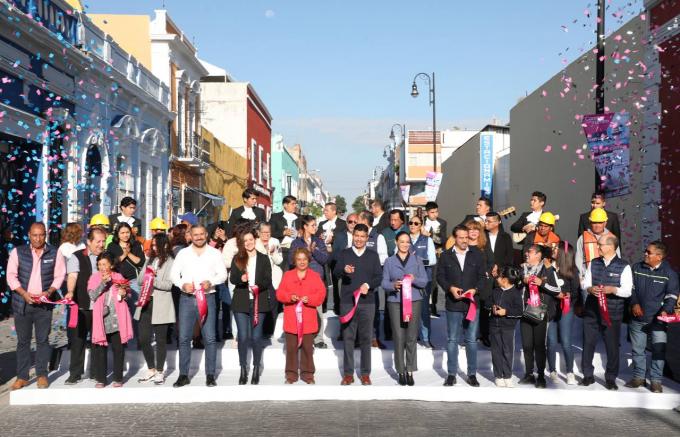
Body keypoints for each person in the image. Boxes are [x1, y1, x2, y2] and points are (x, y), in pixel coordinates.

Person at [7, 222, 66, 390]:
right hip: (22, 303)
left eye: (41, 235)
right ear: (29, 235)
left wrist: (48, 292)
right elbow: (11, 276)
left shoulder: (54, 252)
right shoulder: (18, 252)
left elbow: (59, 276)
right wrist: (24, 294)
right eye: (35, 235)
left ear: (45, 235)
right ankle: (22, 377)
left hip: (44, 305)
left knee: (42, 340)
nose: (38, 238)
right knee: (23, 342)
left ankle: (41, 374)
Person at [170, 226, 227, 388]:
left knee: (209, 337)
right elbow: (174, 274)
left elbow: (223, 274)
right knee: (184, 338)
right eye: (195, 235)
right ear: (190, 236)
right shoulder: (183, 253)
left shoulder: (214, 253)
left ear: (206, 235)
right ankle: (183, 375)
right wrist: (182, 284)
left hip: (208, 298)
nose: (199, 237)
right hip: (187, 299)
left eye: (202, 234)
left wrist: (212, 282)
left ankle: (210, 375)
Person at [580, 234, 632, 390]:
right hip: (592, 311)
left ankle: (610, 378)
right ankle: (587, 375)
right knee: (588, 343)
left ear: (611, 246)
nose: (598, 247)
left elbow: (627, 291)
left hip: (612, 312)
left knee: (612, 346)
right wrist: (590, 288)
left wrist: (613, 289)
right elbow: (585, 283)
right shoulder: (594, 263)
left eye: (600, 244)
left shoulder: (624, 266)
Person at [437, 225, 487, 387]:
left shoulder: (477, 255)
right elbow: (440, 276)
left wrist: (476, 289)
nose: (465, 240)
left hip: (472, 304)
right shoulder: (445, 256)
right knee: (452, 339)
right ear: (455, 238)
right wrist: (450, 288)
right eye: (461, 237)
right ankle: (451, 374)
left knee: (471, 340)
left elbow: (482, 278)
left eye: (466, 237)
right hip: (453, 304)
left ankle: (472, 374)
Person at [626, 241, 678, 393]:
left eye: (649, 252)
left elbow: (672, 295)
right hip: (637, 318)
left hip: (657, 321)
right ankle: (639, 378)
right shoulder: (636, 267)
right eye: (646, 251)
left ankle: (656, 381)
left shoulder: (670, 274)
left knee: (659, 350)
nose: (645, 254)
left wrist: (666, 310)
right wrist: (634, 303)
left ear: (659, 256)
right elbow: (631, 288)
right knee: (638, 350)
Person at [334, 224, 383, 385]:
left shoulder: (373, 255)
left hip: (367, 303)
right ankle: (348, 374)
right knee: (348, 337)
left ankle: (365, 373)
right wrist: (343, 270)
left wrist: (368, 285)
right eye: (357, 236)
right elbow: (335, 272)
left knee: (366, 338)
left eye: (363, 236)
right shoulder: (345, 254)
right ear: (353, 236)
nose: (359, 239)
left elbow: (378, 277)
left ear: (367, 238)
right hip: (348, 302)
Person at [381, 231, 428, 386]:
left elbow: (424, 281)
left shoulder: (417, 260)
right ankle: (400, 370)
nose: (405, 244)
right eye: (402, 241)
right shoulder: (389, 261)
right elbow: (384, 283)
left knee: (411, 337)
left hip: (414, 300)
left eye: (407, 242)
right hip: (395, 301)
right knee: (399, 337)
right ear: (396, 242)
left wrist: (414, 280)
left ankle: (410, 370)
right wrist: (394, 285)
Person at [276, 248, 326, 384]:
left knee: (307, 348)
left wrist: (309, 299)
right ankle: (291, 375)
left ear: (308, 260)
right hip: (292, 320)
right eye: (299, 259)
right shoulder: (287, 275)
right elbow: (279, 294)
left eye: (304, 259)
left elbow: (321, 295)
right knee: (291, 348)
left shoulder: (315, 276)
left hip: (308, 320)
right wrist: (289, 297)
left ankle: (308, 374)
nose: (302, 262)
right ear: (295, 261)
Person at [64, 227, 107, 384]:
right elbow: (72, 276)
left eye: (103, 241)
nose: (101, 245)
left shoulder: (106, 257)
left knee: (98, 341)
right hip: (82, 306)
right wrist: (70, 291)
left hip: (100, 307)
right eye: (98, 241)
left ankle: (96, 373)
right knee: (78, 340)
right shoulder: (77, 257)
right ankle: (75, 374)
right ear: (89, 242)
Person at [230, 230, 273, 385]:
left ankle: (255, 368)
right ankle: (243, 368)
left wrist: (257, 286)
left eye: (250, 239)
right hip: (241, 302)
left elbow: (268, 280)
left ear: (255, 240)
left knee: (256, 337)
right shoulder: (238, 258)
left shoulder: (263, 259)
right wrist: (241, 279)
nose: (248, 242)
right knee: (243, 337)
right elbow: (233, 278)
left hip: (258, 301)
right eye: (245, 241)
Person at [134, 233, 175, 385]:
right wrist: (146, 272)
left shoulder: (171, 261)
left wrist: (154, 279)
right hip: (146, 302)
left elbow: (169, 285)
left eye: (156, 245)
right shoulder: (149, 260)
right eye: (152, 245)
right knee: (143, 338)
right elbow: (139, 281)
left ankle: (159, 370)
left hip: (161, 304)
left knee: (160, 340)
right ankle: (150, 368)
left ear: (164, 245)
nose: (153, 247)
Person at [88, 252, 133, 388]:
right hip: (101, 319)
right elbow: (92, 295)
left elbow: (128, 293)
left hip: (117, 318)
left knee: (118, 349)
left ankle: (118, 378)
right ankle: (101, 379)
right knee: (100, 350)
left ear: (111, 265)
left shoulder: (118, 276)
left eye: (105, 264)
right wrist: (103, 283)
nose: (102, 267)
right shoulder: (94, 278)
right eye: (100, 264)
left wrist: (124, 293)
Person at [519, 244, 560, 388]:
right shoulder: (522, 268)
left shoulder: (547, 269)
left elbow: (556, 290)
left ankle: (541, 375)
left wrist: (541, 283)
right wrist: (521, 281)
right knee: (527, 345)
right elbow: (515, 285)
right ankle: (529, 374)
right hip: (524, 311)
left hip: (540, 311)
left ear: (538, 254)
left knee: (539, 345)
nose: (526, 254)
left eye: (529, 252)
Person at [290, 215, 329, 349]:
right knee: (301, 310)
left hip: (316, 281)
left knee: (317, 311)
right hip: (300, 281)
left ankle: (318, 338)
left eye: (315, 225)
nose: (315, 227)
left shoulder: (318, 241)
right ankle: (301, 336)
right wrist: (305, 253)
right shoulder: (296, 243)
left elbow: (325, 259)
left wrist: (314, 251)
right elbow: (291, 260)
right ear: (305, 226)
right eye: (312, 225)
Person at [546, 242, 580, 385]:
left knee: (566, 341)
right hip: (551, 308)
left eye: (555, 249)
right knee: (551, 341)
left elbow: (575, 291)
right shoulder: (548, 267)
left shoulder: (572, 270)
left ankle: (570, 372)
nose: (552, 250)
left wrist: (567, 297)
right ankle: (552, 370)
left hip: (566, 308)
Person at [376, 209, 408, 344]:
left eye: (396, 220)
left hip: (407, 271)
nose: (393, 222)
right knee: (391, 302)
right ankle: (389, 332)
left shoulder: (408, 231)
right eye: (391, 220)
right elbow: (382, 255)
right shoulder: (384, 233)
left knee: (406, 302)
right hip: (390, 270)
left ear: (402, 220)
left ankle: (406, 332)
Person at [489, 266, 523, 387]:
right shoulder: (496, 291)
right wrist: (492, 308)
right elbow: (488, 303)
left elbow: (519, 311)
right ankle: (498, 376)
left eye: (500, 277)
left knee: (508, 351)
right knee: (496, 351)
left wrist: (506, 312)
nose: (498, 279)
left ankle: (507, 375)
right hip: (494, 325)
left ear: (506, 279)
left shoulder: (516, 293)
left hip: (508, 327)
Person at [407, 216, 437, 349]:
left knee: (424, 309)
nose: (412, 225)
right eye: (410, 223)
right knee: (408, 310)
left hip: (424, 279)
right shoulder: (404, 239)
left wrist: (415, 262)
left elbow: (432, 260)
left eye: (416, 223)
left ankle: (425, 338)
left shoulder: (427, 240)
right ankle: (411, 337)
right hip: (408, 280)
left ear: (421, 225)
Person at [575, 208, 619, 282]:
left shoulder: (611, 238)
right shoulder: (583, 238)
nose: (597, 225)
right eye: (594, 222)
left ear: (605, 223)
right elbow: (578, 259)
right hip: (588, 279)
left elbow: (618, 259)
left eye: (600, 222)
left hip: (607, 279)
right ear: (590, 222)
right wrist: (581, 277)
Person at [107, 223, 145, 304]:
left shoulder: (136, 244)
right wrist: (124, 254)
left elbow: (141, 262)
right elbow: (111, 263)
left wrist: (128, 253)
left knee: (134, 308)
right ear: (117, 234)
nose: (125, 235)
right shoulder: (112, 246)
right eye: (122, 233)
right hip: (117, 282)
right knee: (119, 306)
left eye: (127, 232)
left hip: (133, 281)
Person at [256, 222, 283, 338]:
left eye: (269, 232)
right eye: (264, 232)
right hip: (258, 277)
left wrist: (272, 253)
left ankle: (269, 330)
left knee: (273, 302)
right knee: (260, 303)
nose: (267, 235)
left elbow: (279, 260)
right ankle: (258, 330)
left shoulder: (275, 242)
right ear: (258, 233)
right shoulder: (254, 242)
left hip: (273, 277)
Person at [422, 202, 447, 318]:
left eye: (436, 211)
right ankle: (423, 305)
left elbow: (442, 240)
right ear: (427, 212)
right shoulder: (421, 222)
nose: (435, 214)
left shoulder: (442, 223)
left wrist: (430, 235)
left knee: (433, 282)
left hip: (436, 255)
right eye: (432, 212)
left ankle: (433, 307)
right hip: (422, 255)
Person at [331, 213, 359, 315]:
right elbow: (335, 254)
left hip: (359, 272)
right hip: (344, 271)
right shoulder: (339, 236)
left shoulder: (362, 235)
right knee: (343, 297)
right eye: (350, 222)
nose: (352, 224)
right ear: (346, 223)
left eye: (355, 222)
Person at [269, 195, 298, 264]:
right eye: (292, 204)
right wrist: (283, 233)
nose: (295, 206)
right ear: (285, 205)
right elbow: (270, 233)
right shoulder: (275, 217)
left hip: (296, 250)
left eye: (295, 204)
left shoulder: (299, 217)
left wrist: (300, 233)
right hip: (282, 249)